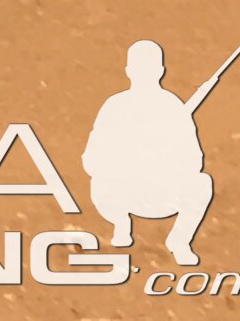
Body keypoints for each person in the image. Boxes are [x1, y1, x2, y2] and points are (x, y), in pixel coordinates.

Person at [85, 38, 219, 266]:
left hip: (161, 194)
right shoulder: (115, 106)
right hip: (122, 193)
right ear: (160, 71)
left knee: (201, 183)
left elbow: (193, 162)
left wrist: (163, 159)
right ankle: (120, 223)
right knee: (100, 181)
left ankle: (179, 241)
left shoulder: (172, 107)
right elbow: (91, 160)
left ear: (129, 71)